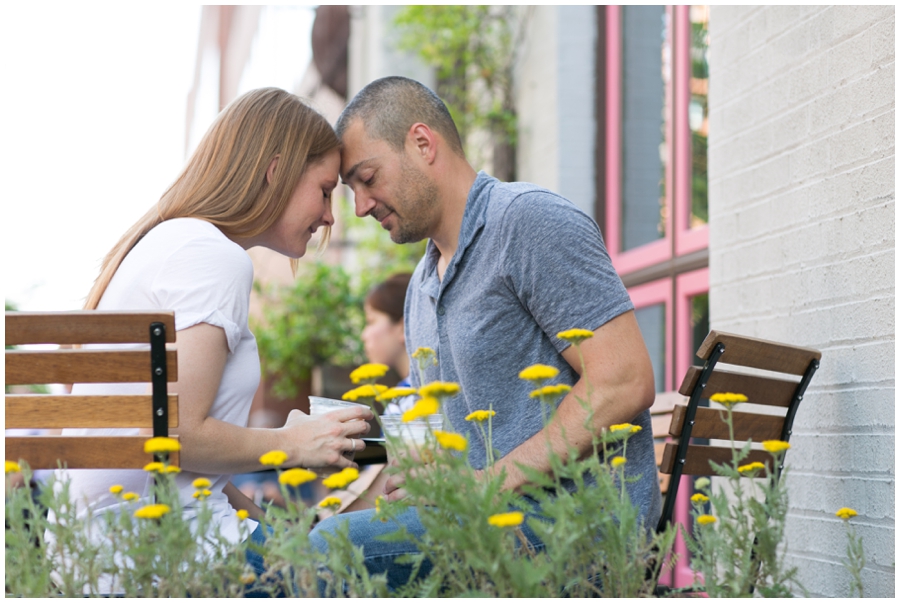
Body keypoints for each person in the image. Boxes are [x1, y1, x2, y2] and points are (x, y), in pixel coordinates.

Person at [309, 76, 661, 590]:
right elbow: (422, 422)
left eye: (368, 178)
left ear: (423, 144)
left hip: (576, 528)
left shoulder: (527, 223)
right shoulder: (422, 285)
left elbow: (624, 381)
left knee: (327, 554)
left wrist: (487, 485)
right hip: (483, 526)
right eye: (352, 191)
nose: (361, 207)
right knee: (321, 538)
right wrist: (365, 463)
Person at [53, 87, 373, 591]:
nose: (332, 215)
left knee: (334, 544)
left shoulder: (170, 243)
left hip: (103, 552)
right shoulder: (213, 257)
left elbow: (192, 475)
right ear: (276, 172)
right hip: (162, 555)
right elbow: (178, 436)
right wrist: (292, 443)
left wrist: (284, 531)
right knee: (402, 547)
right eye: (325, 189)